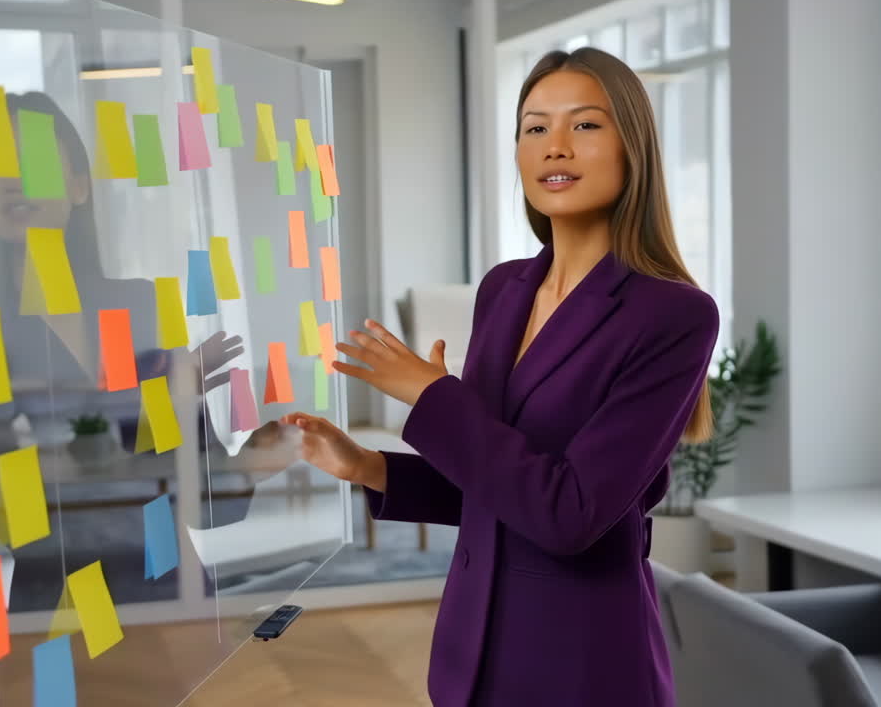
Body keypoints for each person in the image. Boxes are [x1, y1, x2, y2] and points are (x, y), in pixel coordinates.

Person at [281, 47, 719, 706]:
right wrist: (371, 468)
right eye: (535, 127)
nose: (556, 147)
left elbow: (568, 514)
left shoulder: (674, 316)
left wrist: (431, 396)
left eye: (586, 125)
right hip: (472, 656)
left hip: (583, 668)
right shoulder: (503, 290)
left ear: (635, 147)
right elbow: (495, 490)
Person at [0, 91, 293, 610]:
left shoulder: (139, 304)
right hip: (61, 605)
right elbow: (19, 517)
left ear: (78, 186)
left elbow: (204, 509)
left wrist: (249, 463)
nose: (13, 178)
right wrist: (151, 400)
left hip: (171, 590)